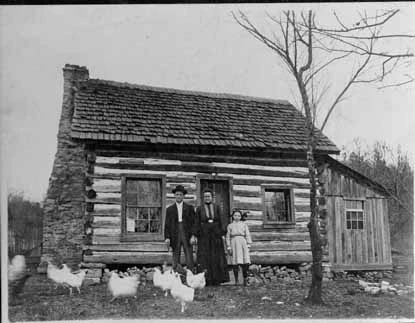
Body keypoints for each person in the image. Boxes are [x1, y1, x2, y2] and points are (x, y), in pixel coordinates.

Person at [191, 188, 229, 286]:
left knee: (216, 256)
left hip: (215, 235)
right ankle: (206, 280)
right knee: (205, 257)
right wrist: (195, 234)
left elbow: (222, 220)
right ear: (203, 198)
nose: (207, 198)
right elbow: (196, 222)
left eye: (209, 196)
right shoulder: (199, 209)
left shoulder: (217, 207)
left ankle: (217, 279)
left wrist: (221, 232)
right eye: (205, 197)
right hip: (204, 236)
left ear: (212, 197)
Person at [164, 185, 195, 271]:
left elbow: (193, 223)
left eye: (180, 194)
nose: (178, 196)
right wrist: (167, 237)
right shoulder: (170, 209)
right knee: (176, 254)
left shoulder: (189, 208)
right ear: (174, 195)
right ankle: (176, 274)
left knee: (189, 254)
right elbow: (167, 224)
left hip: (186, 232)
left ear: (183, 196)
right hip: (175, 232)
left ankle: (190, 274)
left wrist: (193, 235)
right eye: (177, 194)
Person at [226, 209, 252, 286]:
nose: (237, 217)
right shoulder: (230, 225)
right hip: (234, 242)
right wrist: (229, 247)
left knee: (245, 262)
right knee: (235, 262)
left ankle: (245, 279)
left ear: (241, 217)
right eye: (235, 215)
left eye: (238, 216)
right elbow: (228, 237)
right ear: (233, 216)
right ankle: (236, 280)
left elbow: (247, 234)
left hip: (242, 242)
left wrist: (248, 244)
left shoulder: (244, 225)